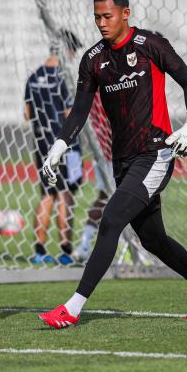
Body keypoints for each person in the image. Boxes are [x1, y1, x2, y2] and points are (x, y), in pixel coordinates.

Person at [37, 0, 187, 329]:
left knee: (110, 220)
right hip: (121, 159)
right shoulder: (93, 59)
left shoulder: (150, 44)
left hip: (155, 152)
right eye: (97, 17)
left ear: (125, 13)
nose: (101, 23)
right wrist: (58, 146)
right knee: (152, 239)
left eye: (107, 16)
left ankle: (72, 308)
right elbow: (79, 111)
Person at [24, 31, 84, 265]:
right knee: (65, 195)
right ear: (66, 50)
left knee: (47, 195)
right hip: (64, 145)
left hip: (41, 143)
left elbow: (27, 114)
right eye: (73, 51)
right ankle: (66, 251)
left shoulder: (34, 76)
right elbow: (70, 115)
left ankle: (39, 251)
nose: (72, 56)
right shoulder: (64, 77)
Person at [72, 93, 111, 262]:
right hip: (120, 152)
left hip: (101, 153)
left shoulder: (92, 86)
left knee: (103, 198)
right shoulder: (113, 80)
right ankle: (136, 252)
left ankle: (84, 246)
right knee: (137, 201)